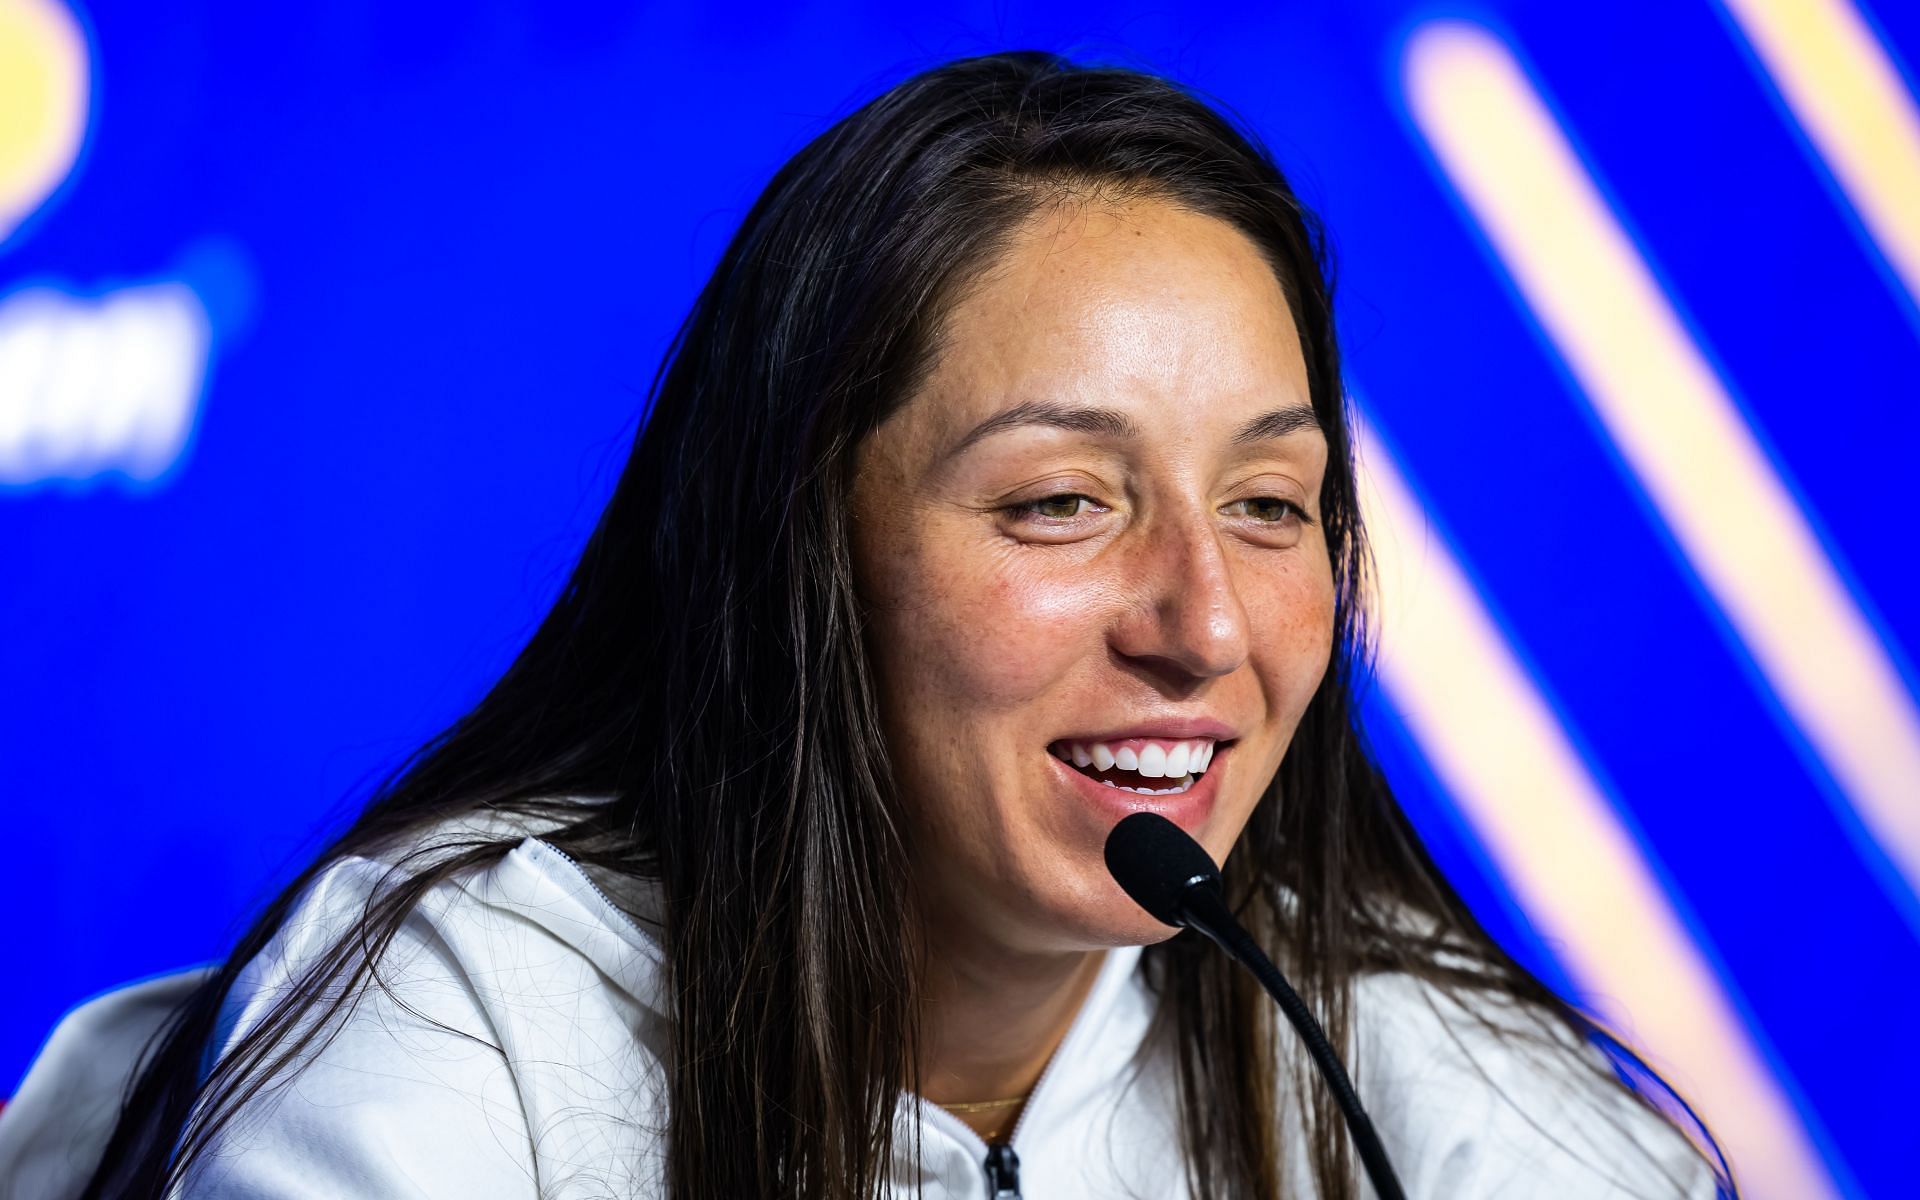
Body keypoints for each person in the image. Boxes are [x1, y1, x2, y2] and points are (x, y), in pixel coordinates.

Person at [28, 49, 1728, 1200]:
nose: (1206, 623)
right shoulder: (463, 1018)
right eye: (1063, 500)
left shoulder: (1409, 1071)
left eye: (1271, 506)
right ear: (799, 553)